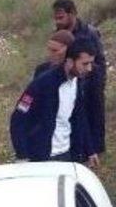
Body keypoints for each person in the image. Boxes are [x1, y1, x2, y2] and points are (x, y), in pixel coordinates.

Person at [10, 38, 98, 166]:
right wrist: (22, 155)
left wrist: (90, 150)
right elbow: (18, 118)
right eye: (85, 64)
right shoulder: (42, 83)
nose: (89, 68)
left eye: (91, 63)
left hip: (68, 154)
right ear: (69, 61)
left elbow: (80, 117)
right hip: (42, 157)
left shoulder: (77, 82)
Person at [52, 0, 107, 153]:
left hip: (91, 85)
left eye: (61, 17)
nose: (58, 22)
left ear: (72, 14)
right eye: (56, 18)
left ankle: (94, 153)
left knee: (93, 119)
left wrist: (96, 84)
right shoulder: (60, 34)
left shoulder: (90, 33)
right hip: (70, 84)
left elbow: (100, 62)